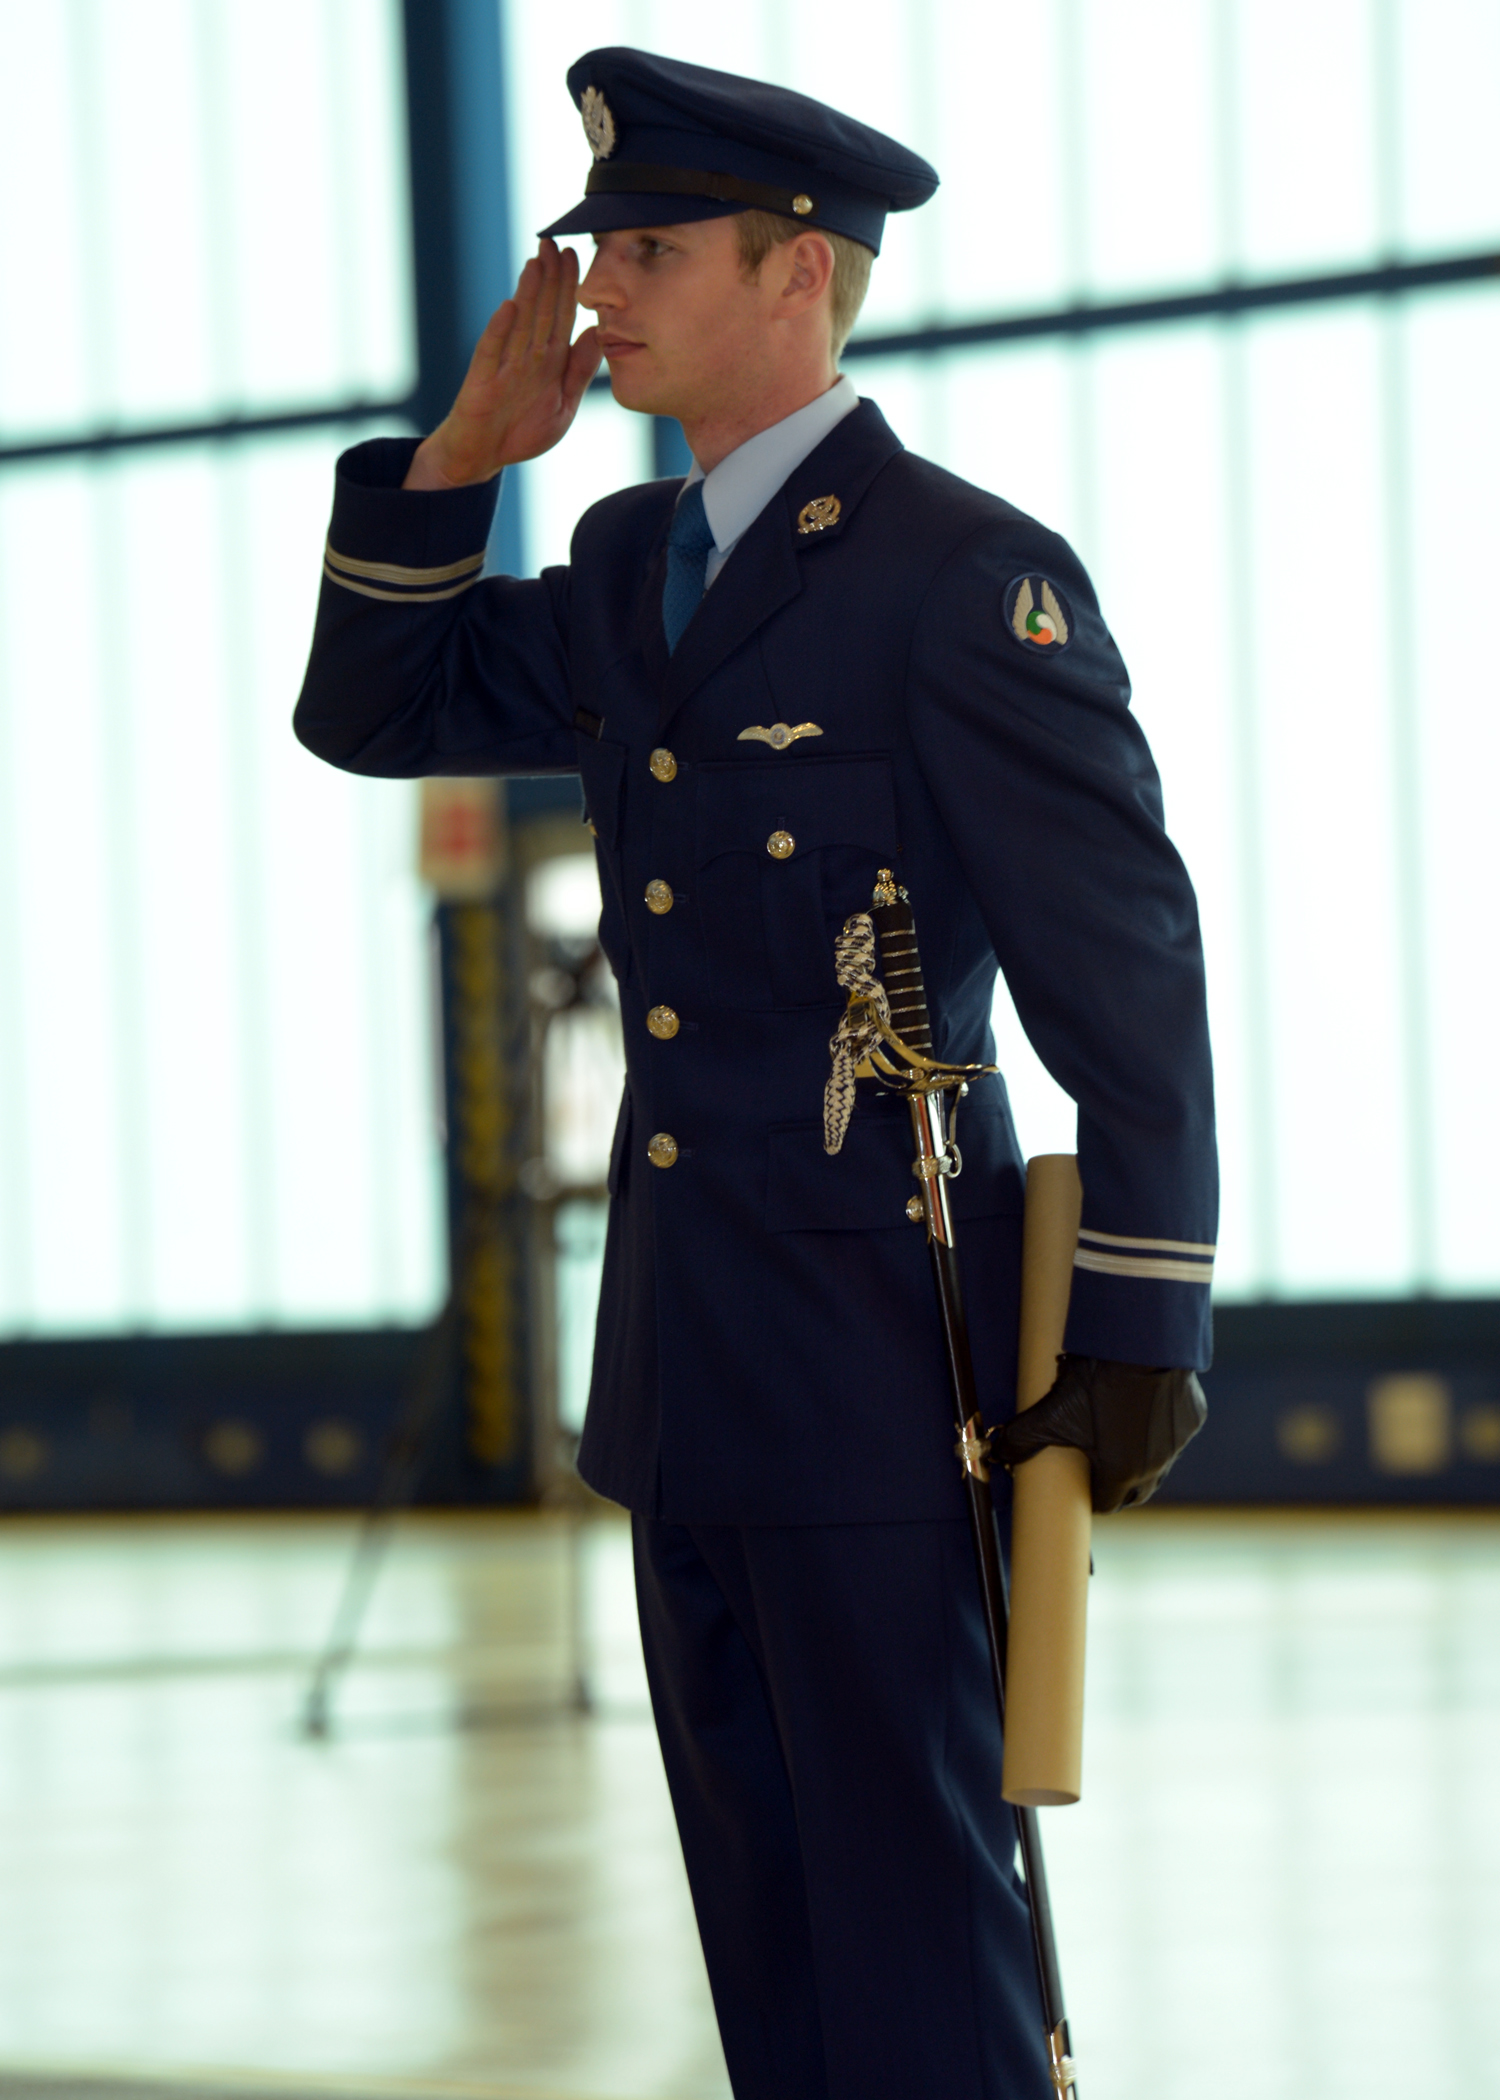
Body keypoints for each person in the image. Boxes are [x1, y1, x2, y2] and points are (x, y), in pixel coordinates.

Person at [295, 46, 1216, 2100]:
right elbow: (375, 710)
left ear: (796, 272)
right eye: (598, 244)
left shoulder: (962, 580)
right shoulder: (632, 571)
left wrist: (1145, 1311)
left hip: (895, 1357)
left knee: (916, 1923)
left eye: (650, 247)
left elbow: (1126, 967)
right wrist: (460, 455)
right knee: (769, 1937)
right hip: (687, 1360)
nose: (598, 287)